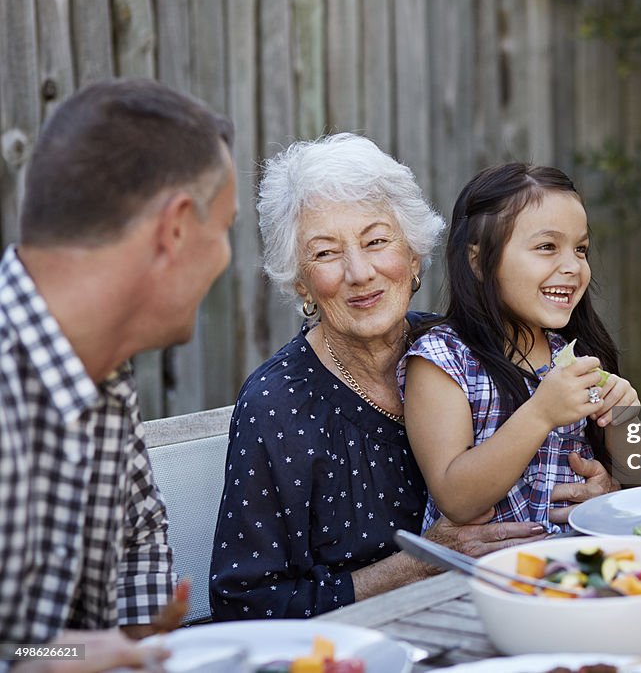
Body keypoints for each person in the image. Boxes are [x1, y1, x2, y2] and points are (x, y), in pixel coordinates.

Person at [209, 135, 617, 621]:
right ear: (300, 282)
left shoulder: (469, 347)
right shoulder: (279, 404)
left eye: (377, 241)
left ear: (415, 254)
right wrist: (420, 564)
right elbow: (246, 605)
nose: (360, 272)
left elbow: (564, 455)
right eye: (325, 253)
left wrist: (601, 498)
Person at [0, 79, 236, 670]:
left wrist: (135, 645)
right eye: (225, 227)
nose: (228, 257)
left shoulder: (101, 365)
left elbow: (140, 533)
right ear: (176, 229)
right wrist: (52, 656)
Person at [400, 163, 641, 534]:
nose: (573, 266)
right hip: (481, 581)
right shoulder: (442, 359)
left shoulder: (572, 358)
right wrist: (541, 413)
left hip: (578, 565)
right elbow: (456, 498)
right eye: (547, 247)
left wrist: (622, 417)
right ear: (478, 261)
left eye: (581, 249)